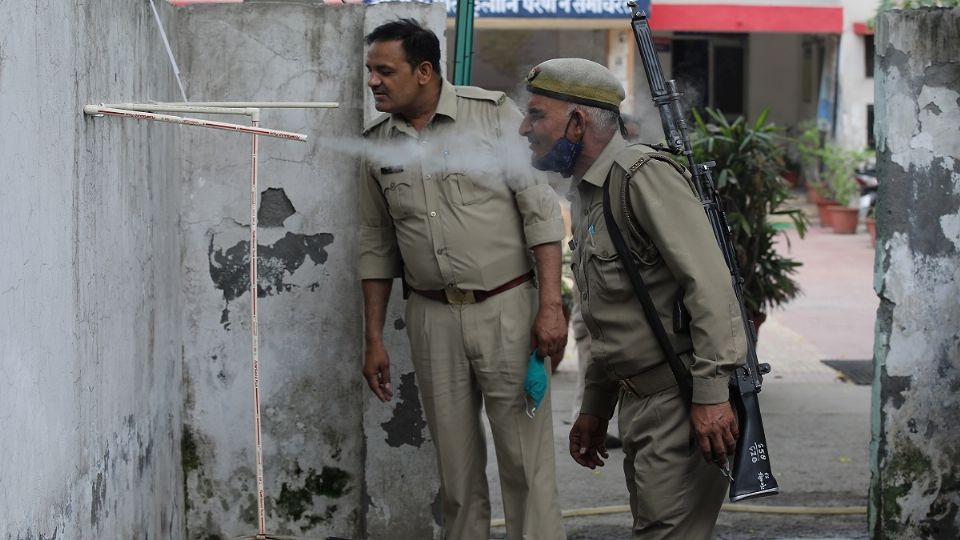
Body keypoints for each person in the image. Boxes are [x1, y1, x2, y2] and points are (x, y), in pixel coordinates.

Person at [519, 58, 748, 539]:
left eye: (537, 114)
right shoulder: (588, 193)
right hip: (640, 400)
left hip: (679, 399)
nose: (525, 127)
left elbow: (710, 285)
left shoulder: (642, 177)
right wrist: (596, 406)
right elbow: (611, 312)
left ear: (578, 123)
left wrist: (710, 397)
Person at [358, 19, 567, 540]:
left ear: (424, 71)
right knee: (456, 474)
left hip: (508, 311)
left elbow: (540, 214)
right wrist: (376, 339)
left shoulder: (494, 117)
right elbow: (377, 247)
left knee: (526, 465)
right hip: (431, 319)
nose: (373, 82)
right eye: (370, 71)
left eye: (385, 71)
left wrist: (549, 307)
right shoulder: (377, 146)